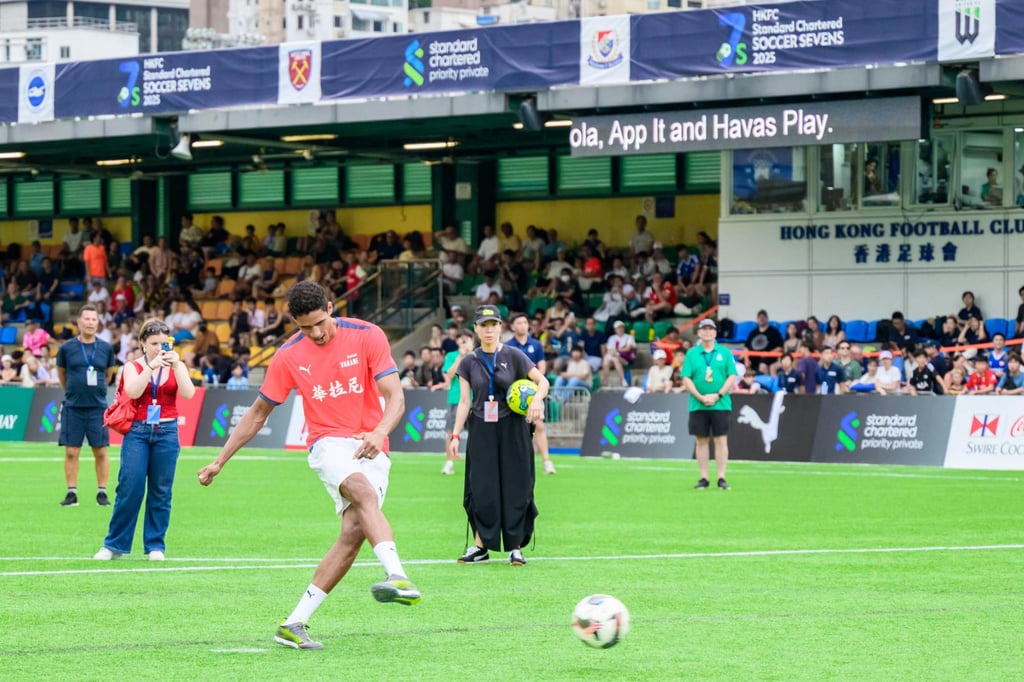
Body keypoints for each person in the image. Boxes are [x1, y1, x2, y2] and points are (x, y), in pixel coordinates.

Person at [197, 281, 420, 651]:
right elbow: (258, 413)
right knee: (362, 493)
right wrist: (220, 460)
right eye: (305, 328)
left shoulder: (367, 335)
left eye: (319, 323)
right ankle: (397, 575)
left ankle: (293, 623)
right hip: (327, 443)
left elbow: (395, 395)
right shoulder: (287, 355)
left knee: (353, 533)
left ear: (330, 308)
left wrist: (379, 431)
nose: (315, 333)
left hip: (373, 443)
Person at [448, 305, 549, 566]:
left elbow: (543, 382)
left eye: (493, 324)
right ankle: (480, 546)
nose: (489, 329)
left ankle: (515, 547)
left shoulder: (515, 356)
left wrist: (537, 400)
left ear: (501, 326)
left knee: (517, 485)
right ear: (476, 329)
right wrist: (456, 436)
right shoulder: (468, 361)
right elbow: (463, 402)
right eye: (484, 325)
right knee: (482, 488)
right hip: (482, 428)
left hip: (513, 428)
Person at [94, 318, 195, 561]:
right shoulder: (132, 366)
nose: (159, 348)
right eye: (153, 343)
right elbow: (133, 391)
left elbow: (188, 394)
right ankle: (114, 544)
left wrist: (177, 367)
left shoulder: (175, 365)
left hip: (167, 431)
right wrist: (152, 366)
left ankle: (155, 545)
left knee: (161, 490)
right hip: (138, 431)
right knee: (130, 487)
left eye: (163, 343)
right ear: (142, 344)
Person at [56, 305, 119, 507]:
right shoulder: (66, 348)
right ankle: (71, 492)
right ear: (79, 322)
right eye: (87, 319)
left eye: (94, 319)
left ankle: (102, 492)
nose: (90, 322)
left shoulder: (106, 348)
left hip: (97, 407)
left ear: (98, 323)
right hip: (73, 406)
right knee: (71, 451)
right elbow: (62, 375)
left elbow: (109, 375)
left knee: (100, 450)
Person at [680, 319, 738, 490]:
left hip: (720, 403)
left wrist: (718, 395)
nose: (707, 332)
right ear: (699, 333)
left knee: (721, 440)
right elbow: (686, 378)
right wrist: (699, 396)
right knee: (701, 440)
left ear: (715, 333)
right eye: (703, 329)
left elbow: (732, 376)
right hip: (698, 404)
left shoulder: (724, 353)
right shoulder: (692, 353)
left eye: (710, 329)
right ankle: (704, 477)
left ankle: (721, 477)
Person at [505, 313, 557, 474]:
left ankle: (547, 462)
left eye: (525, 322)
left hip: (533, 393)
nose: (523, 325)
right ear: (512, 326)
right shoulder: (508, 346)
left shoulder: (536, 344)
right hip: (514, 396)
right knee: (512, 429)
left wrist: (534, 385)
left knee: (539, 425)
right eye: (519, 323)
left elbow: (542, 366)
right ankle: (513, 463)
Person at [441, 330, 475, 475]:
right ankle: (449, 463)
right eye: (462, 340)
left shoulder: (477, 355)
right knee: (451, 431)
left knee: (478, 433)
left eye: (467, 340)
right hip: (457, 398)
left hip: (476, 399)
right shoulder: (451, 356)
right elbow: (450, 374)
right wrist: (461, 356)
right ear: (457, 342)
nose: (464, 342)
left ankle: (477, 463)